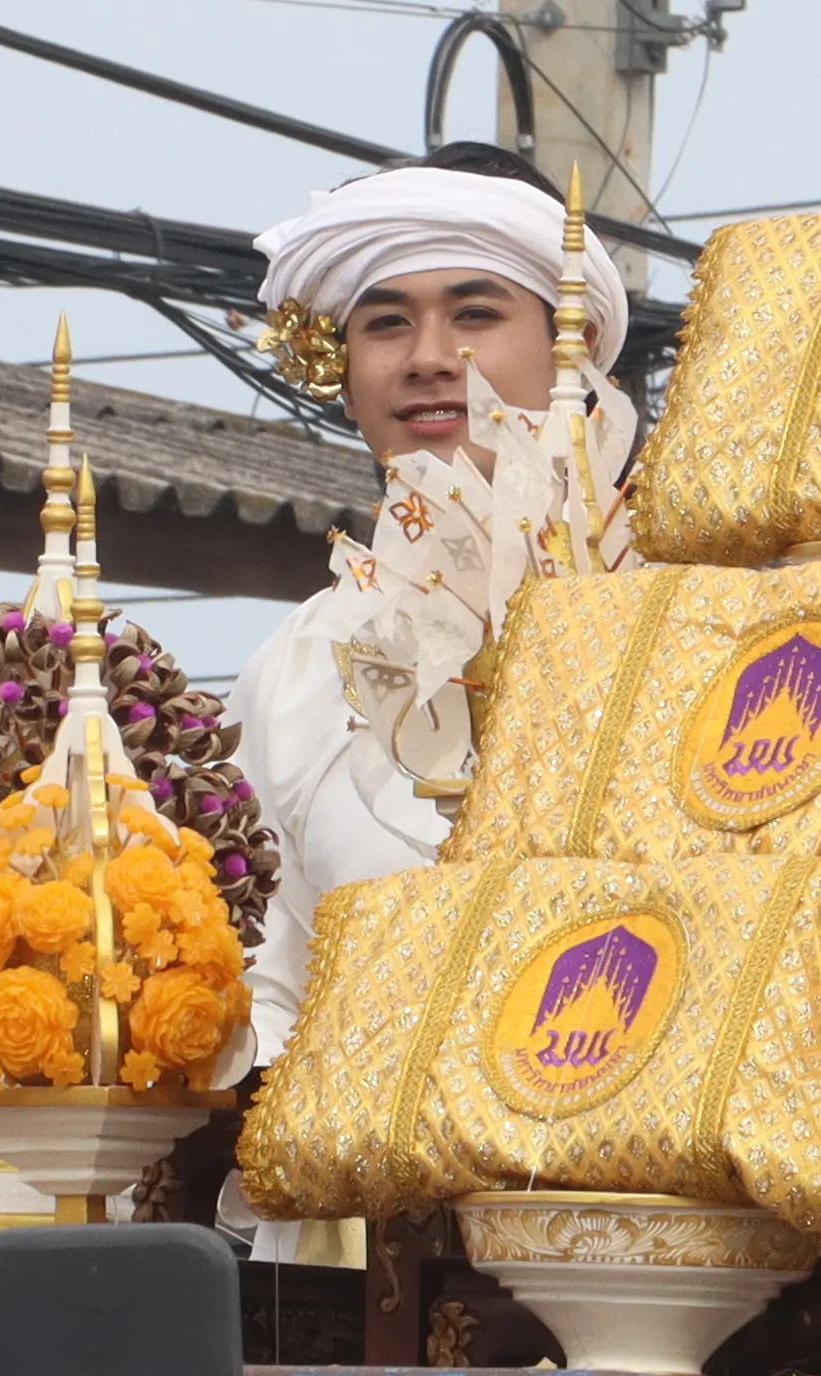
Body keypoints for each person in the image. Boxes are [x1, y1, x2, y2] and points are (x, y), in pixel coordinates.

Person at [228, 145, 636, 1091]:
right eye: (385, 323)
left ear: (572, 339)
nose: (425, 358)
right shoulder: (296, 667)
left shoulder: (693, 612)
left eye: (476, 313)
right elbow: (259, 981)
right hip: (364, 1205)